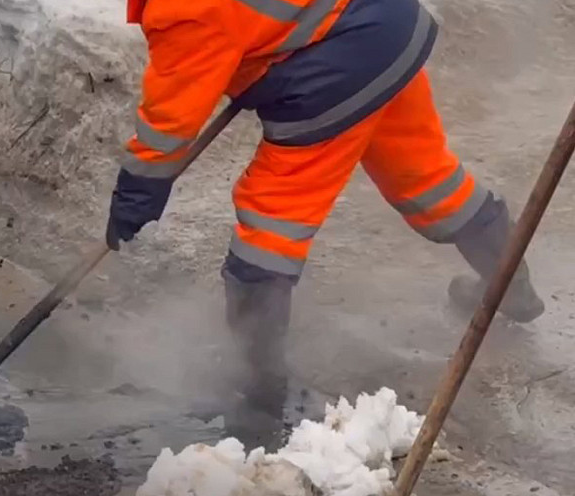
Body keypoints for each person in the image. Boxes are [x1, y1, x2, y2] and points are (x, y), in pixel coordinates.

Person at [105, 0, 545, 417]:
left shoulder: (185, 9)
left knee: (271, 224)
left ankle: (255, 383)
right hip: (385, 27)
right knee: (428, 181)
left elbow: (172, 118)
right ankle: (512, 285)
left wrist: (138, 190)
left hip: (334, 66)